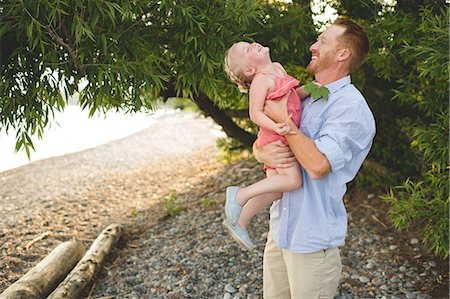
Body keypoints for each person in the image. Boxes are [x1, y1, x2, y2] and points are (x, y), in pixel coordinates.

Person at [253, 18, 376, 298]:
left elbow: (318, 165)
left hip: (312, 240)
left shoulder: (350, 108)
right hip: (280, 230)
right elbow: (269, 141)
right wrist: (259, 150)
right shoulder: (304, 96)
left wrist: (283, 119)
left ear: (343, 54)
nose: (313, 46)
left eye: (322, 41)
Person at [222, 41, 312, 251]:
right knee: (292, 180)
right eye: (247, 49)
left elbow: (292, 96)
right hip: (274, 138)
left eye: (249, 43)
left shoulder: (278, 68)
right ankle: (240, 195)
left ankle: (240, 222)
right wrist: (276, 126)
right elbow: (255, 113)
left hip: (282, 134)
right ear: (250, 70)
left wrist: (312, 88)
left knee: (276, 190)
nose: (253, 44)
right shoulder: (261, 81)